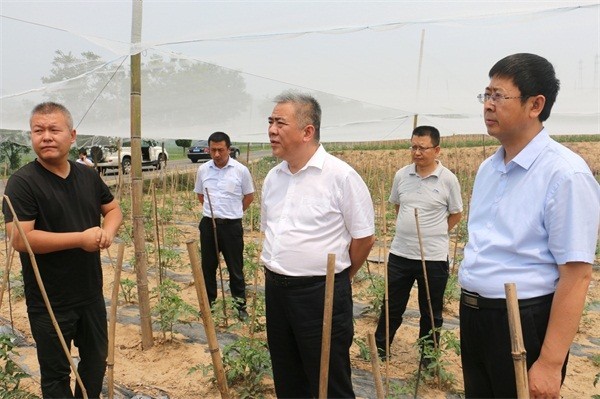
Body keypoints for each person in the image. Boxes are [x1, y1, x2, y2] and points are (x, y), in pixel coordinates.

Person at [458, 53, 600, 398]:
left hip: (523, 322)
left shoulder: (565, 174)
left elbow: (577, 274)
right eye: (486, 95)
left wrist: (551, 363)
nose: (488, 106)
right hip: (475, 316)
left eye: (498, 96)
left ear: (535, 104)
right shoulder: (488, 169)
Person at [2, 102, 122, 398]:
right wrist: (80, 239)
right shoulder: (23, 183)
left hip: (90, 292)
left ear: (72, 135)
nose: (46, 137)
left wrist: (107, 232)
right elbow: (20, 239)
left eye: (54, 130)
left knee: (95, 362)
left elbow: (114, 209)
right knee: (56, 374)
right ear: (31, 136)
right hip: (48, 299)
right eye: (38, 130)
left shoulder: (87, 176)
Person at [261, 91, 375, 398]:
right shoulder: (273, 178)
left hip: (321, 293)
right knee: (287, 373)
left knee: (328, 378)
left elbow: (364, 238)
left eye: (280, 122)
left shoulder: (341, 177)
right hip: (276, 289)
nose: (271, 129)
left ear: (307, 131)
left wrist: (340, 278)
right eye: (270, 121)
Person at [374, 125, 462, 364]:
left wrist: (435, 232)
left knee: (431, 311)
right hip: (401, 254)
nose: (417, 152)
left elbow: (456, 213)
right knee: (391, 305)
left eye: (422, 148)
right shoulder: (402, 175)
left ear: (437, 150)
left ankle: (428, 357)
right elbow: (397, 206)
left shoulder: (448, 180)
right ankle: (380, 350)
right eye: (413, 147)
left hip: (432, 257)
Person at [193, 131, 254, 321]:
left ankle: (240, 307)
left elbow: (249, 196)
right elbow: (200, 195)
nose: (217, 154)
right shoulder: (203, 170)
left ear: (229, 149)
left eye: (220, 150)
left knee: (235, 268)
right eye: (213, 150)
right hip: (208, 225)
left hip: (231, 227)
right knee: (208, 267)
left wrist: (233, 212)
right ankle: (209, 306)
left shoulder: (240, 170)